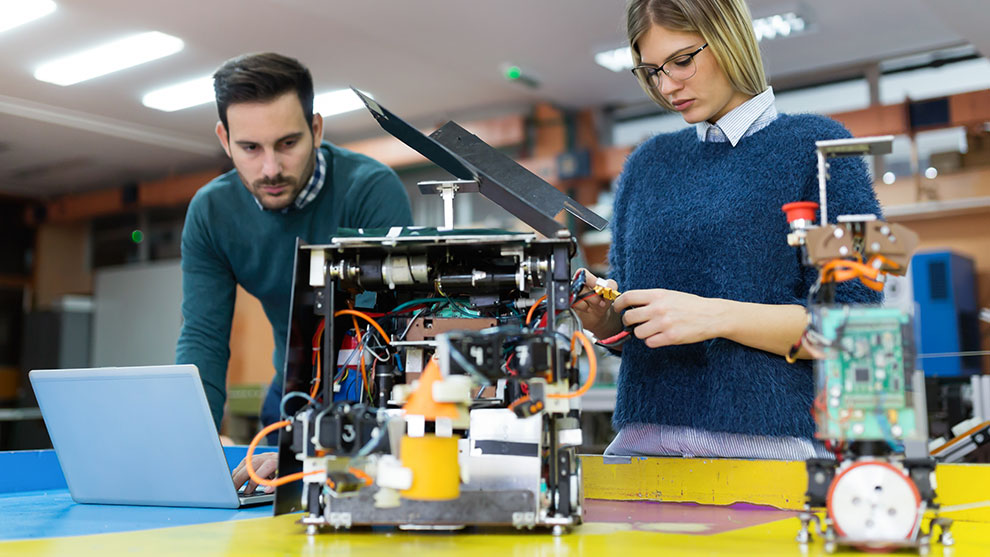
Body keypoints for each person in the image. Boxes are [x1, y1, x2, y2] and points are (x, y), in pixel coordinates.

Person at [572, 0, 881, 459]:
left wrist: (715, 317)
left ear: (730, 40)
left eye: (682, 61)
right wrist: (607, 320)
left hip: (771, 453)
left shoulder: (827, 150)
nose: (668, 85)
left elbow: (858, 329)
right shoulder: (644, 165)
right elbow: (641, 323)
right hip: (641, 449)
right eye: (652, 70)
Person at [175, 53, 412, 491]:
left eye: (287, 144)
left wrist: (312, 452)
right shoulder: (211, 212)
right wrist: (191, 451)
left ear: (316, 129)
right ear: (225, 139)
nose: (270, 169)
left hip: (367, 391)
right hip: (288, 391)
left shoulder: (369, 190)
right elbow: (204, 338)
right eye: (250, 148)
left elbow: (387, 333)